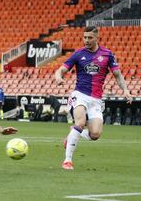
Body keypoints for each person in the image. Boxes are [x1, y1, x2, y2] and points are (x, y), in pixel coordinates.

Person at [54, 26, 132, 170]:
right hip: (79, 95)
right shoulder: (78, 54)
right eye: (84, 37)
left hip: (96, 99)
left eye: (90, 38)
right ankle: (67, 160)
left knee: (95, 134)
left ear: (97, 38)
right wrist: (58, 77)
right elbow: (61, 70)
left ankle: (73, 134)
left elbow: (118, 75)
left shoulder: (107, 55)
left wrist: (126, 90)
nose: (86, 40)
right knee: (81, 121)